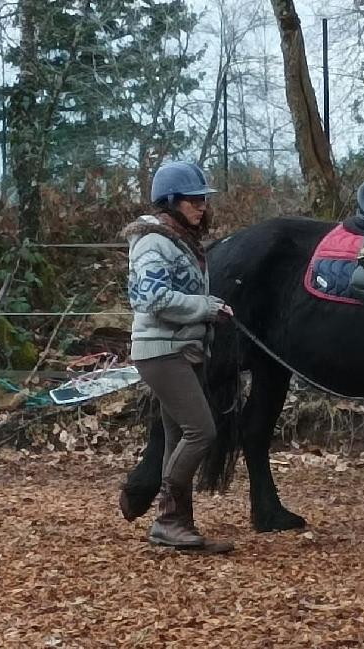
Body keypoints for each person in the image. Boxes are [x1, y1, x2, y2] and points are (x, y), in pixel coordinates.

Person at [121, 160, 234, 553]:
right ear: (170, 201)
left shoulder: (179, 239)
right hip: (161, 351)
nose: (201, 205)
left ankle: (178, 525)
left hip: (180, 350)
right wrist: (205, 308)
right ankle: (168, 519)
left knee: (176, 438)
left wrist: (210, 311)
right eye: (193, 200)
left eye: (202, 199)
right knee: (202, 431)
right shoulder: (153, 242)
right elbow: (152, 298)